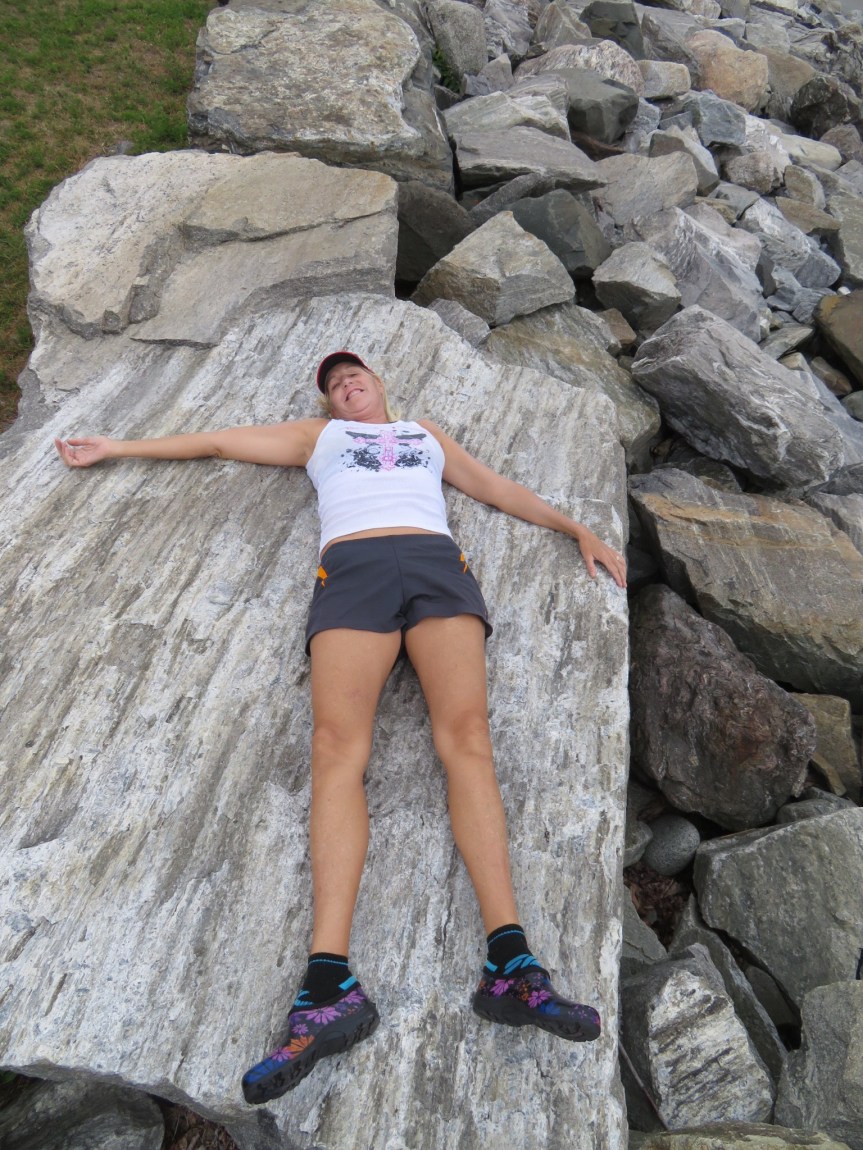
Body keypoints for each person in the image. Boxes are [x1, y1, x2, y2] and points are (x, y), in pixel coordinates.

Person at [55, 350, 627, 1105]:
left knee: (467, 740)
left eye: (354, 375)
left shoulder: (424, 435)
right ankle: (328, 987)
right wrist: (119, 447)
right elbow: (218, 441)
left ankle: (512, 968)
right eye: (333, 384)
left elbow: (491, 487)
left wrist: (575, 528)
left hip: (436, 566)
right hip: (352, 572)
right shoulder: (318, 438)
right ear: (327, 404)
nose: (345, 384)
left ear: (380, 384)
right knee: (335, 750)